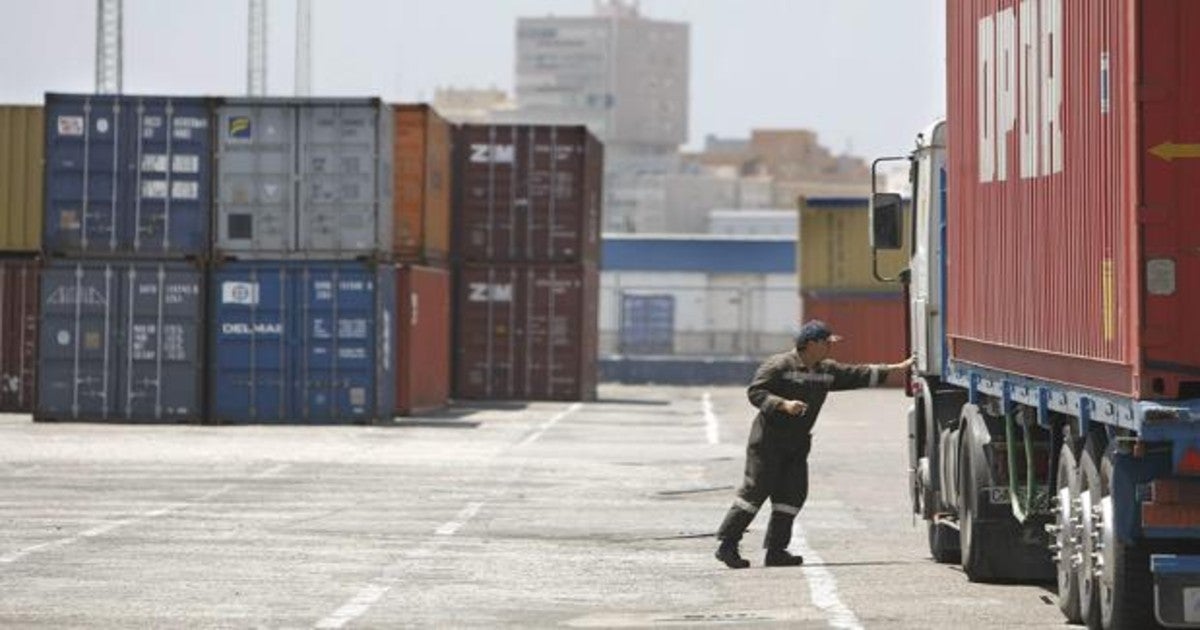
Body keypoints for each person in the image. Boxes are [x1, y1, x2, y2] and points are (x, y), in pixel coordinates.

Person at [714, 319, 913, 569]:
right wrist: (783, 404)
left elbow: (858, 373)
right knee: (755, 493)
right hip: (768, 443)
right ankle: (727, 544)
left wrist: (901, 367)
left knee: (792, 495)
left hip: (797, 444)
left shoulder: (826, 370)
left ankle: (776, 551)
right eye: (826, 343)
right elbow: (756, 392)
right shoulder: (779, 365)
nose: (830, 347)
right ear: (810, 344)